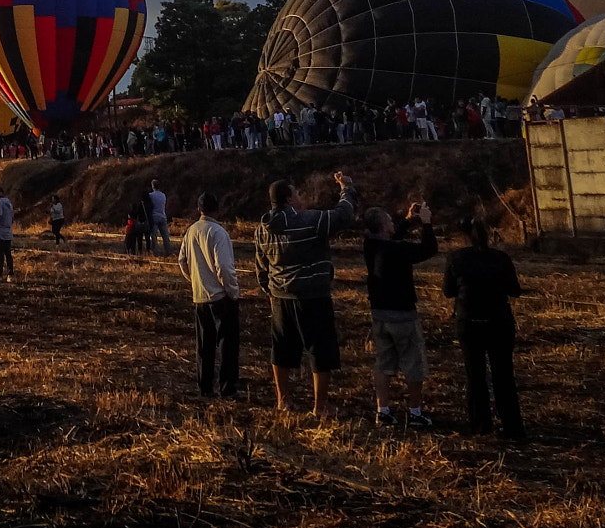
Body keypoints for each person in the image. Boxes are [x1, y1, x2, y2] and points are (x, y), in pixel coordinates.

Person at [253, 170, 358, 418]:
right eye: (297, 193)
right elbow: (344, 215)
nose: (301, 196)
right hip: (313, 297)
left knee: (281, 349)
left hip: (280, 297)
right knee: (320, 350)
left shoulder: (262, 229)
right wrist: (346, 188)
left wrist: (270, 290)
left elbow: (261, 267)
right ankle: (319, 406)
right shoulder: (311, 220)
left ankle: (283, 400)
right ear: (289, 198)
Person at [443, 218, 526, 441]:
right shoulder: (501, 258)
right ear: (490, 236)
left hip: (469, 322)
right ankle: (512, 426)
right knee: (504, 375)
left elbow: (448, 291)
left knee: (475, 375)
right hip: (499, 321)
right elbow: (515, 290)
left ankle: (481, 425)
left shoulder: (456, 258)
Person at [363, 201, 438, 429]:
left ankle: (383, 410)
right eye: (389, 220)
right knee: (414, 364)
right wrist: (426, 223)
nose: (391, 223)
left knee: (384, 364)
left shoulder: (371, 245)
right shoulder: (398, 250)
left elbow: (392, 238)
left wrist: (407, 220)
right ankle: (415, 412)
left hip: (380, 314)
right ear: (384, 226)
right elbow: (428, 249)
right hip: (403, 314)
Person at [176, 191, 240, 399]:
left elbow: (182, 261)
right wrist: (233, 291)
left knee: (204, 347)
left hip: (200, 296)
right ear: (217, 209)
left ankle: (205, 387)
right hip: (221, 297)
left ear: (199, 209)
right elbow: (224, 267)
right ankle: (227, 388)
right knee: (227, 345)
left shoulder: (191, 231)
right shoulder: (218, 232)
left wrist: (194, 280)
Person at [0, 189, 15, 281]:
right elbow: (12, 218)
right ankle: (10, 274)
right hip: (8, 232)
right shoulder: (8, 203)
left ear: (0, 192)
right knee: (8, 254)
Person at [148, 181, 171, 257]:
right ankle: (168, 251)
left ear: (153, 186)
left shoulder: (151, 195)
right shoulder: (163, 195)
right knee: (165, 235)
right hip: (163, 216)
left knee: (154, 236)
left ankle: (156, 252)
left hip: (154, 216)